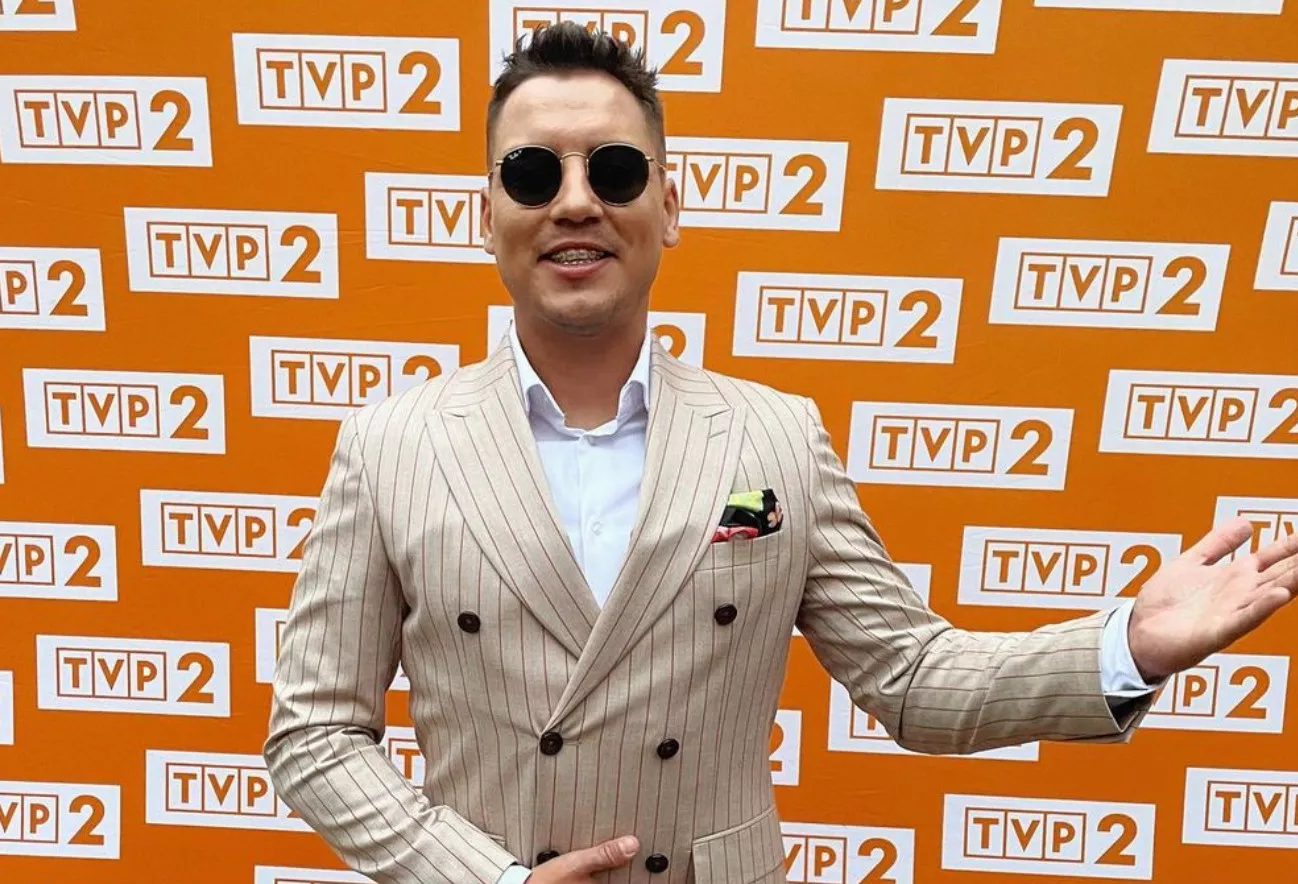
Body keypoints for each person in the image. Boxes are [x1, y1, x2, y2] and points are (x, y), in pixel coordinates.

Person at [263, 22, 1298, 884]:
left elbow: (910, 676)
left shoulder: (776, 436)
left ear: (669, 207)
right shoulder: (391, 445)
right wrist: (484, 878)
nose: (575, 202)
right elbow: (315, 733)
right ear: (486, 216)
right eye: (534, 174)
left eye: (614, 170)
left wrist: (1125, 647)